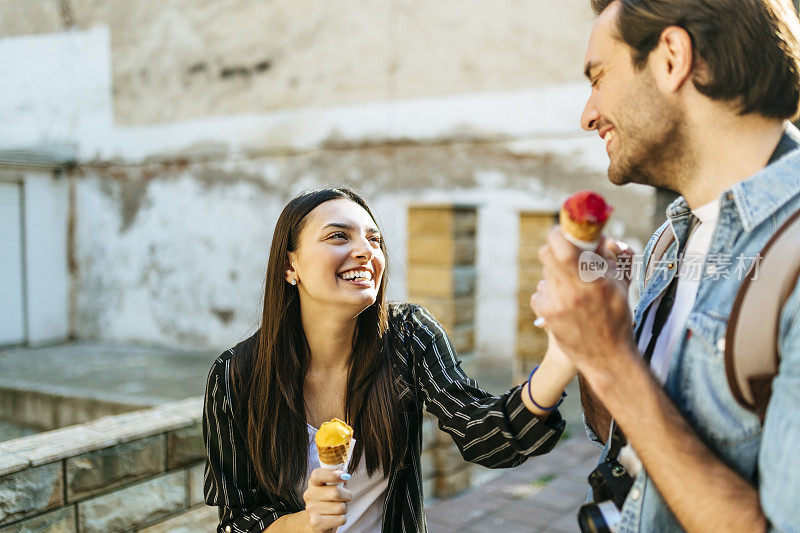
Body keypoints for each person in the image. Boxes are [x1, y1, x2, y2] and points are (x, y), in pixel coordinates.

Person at [531, 0, 800, 531]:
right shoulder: (670, 241)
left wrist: (612, 359)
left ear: (673, 58)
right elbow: (624, 439)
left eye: (599, 77)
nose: (587, 114)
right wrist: (590, 340)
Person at [203, 187, 576, 533]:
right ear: (290, 266)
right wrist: (305, 523)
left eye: (374, 239)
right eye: (338, 235)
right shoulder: (236, 375)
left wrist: (562, 357)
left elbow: (482, 432)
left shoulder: (407, 337)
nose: (366, 250)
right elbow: (237, 521)